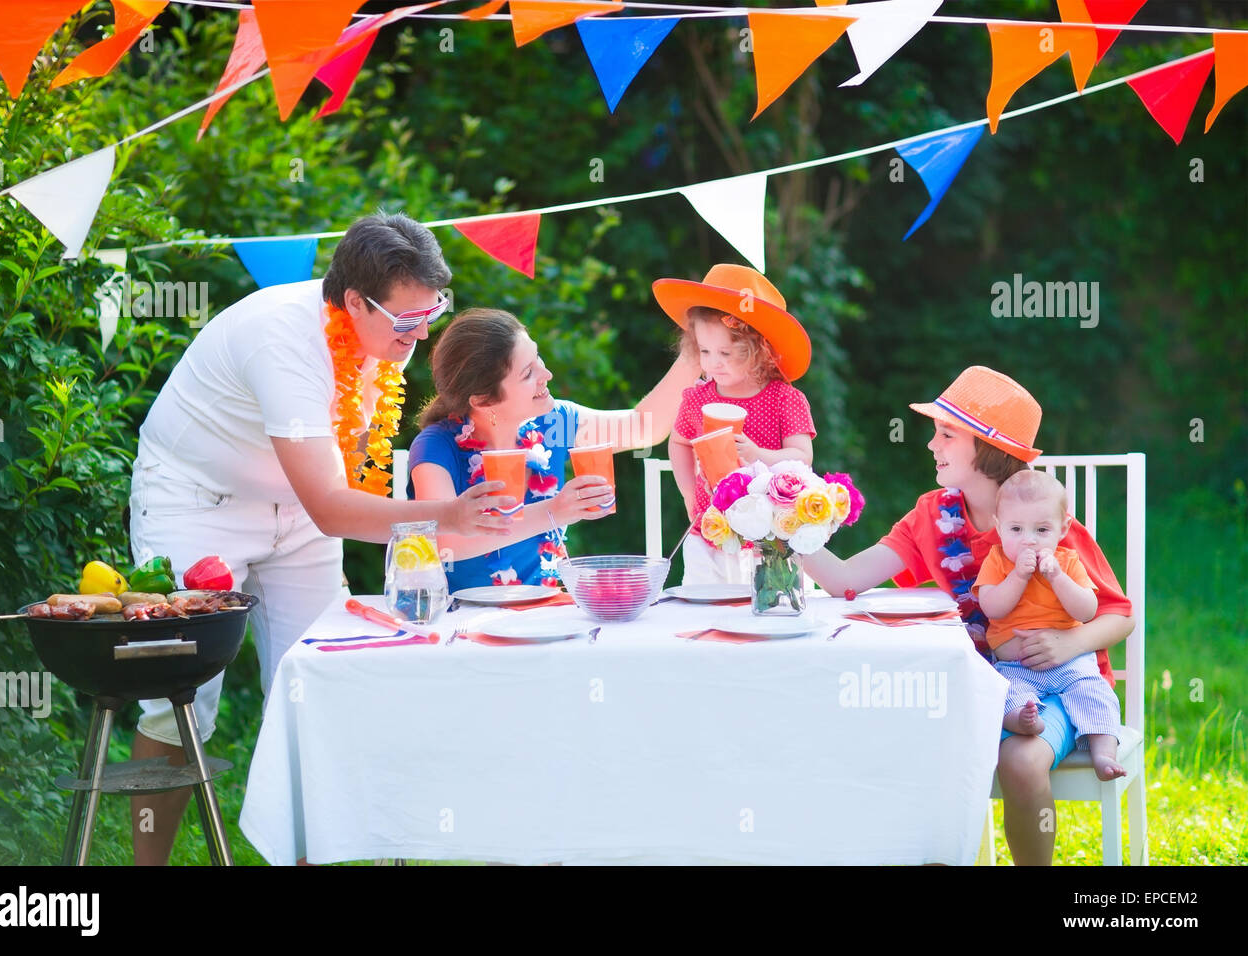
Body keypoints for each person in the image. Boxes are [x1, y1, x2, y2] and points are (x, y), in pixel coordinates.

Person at [127, 213, 513, 865]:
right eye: (407, 320)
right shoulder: (282, 339)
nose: (422, 332)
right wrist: (445, 516)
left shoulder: (386, 336)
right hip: (197, 502)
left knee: (318, 687)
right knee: (179, 701)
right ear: (356, 302)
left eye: (433, 311)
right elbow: (335, 509)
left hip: (301, 510)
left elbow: (336, 476)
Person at [798, 366, 1134, 865]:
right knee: (891, 736)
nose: (932, 445)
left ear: (989, 449)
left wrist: (1069, 644)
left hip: (1057, 681)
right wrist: (784, 525)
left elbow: (1118, 614)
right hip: (969, 682)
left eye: (947, 434)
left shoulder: (1042, 523)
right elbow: (844, 579)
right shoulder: (932, 517)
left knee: (1021, 760)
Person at [408, 308, 701, 588]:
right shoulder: (436, 447)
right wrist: (554, 511)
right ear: (484, 400)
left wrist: (698, 348)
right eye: (527, 373)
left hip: (544, 612)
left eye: (538, 358)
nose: (546, 374)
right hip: (459, 624)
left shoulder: (554, 424)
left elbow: (642, 427)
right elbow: (447, 542)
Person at [653, 264, 816, 584]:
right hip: (709, 530)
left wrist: (759, 454)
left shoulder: (784, 398)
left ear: (758, 351)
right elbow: (679, 442)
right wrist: (688, 492)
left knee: (767, 615)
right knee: (704, 609)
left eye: (725, 352)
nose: (713, 362)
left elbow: (802, 458)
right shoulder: (697, 399)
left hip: (770, 538)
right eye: (704, 351)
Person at [975, 469, 1125, 781]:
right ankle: (1023, 721)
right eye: (1016, 529)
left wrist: (1057, 576)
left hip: (1070, 661)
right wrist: (1018, 576)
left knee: (1095, 694)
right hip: (1016, 666)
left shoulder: (1068, 561)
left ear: (1063, 528)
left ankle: (1104, 754)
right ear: (999, 527)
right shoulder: (997, 562)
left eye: (1042, 530)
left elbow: (1087, 610)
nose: (1028, 540)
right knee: (1002, 695)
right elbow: (992, 607)